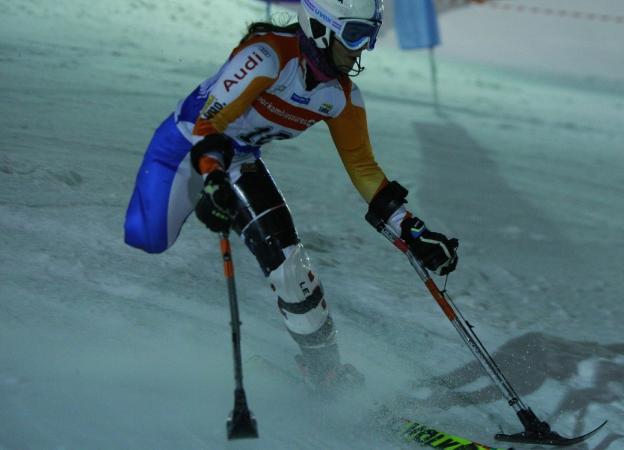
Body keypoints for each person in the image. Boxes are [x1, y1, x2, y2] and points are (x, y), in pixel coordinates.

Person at [124, 0, 458, 390]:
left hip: (238, 162)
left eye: (370, 36)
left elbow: (364, 169)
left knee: (290, 267)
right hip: (185, 149)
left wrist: (413, 232)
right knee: (149, 240)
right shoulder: (267, 55)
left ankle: (326, 373)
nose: (362, 49)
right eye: (354, 35)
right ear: (321, 27)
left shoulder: (342, 97)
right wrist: (211, 180)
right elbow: (208, 124)